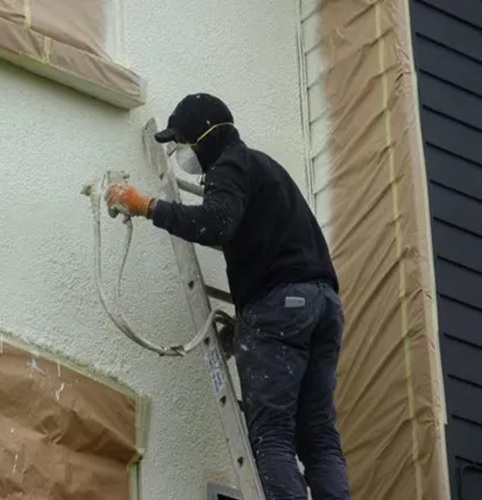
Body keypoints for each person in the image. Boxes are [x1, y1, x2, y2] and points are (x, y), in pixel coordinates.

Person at [105, 93, 350, 500]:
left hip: (281, 306)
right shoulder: (264, 168)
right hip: (324, 307)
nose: (180, 154)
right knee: (318, 437)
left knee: (271, 434)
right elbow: (240, 231)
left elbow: (216, 223)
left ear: (206, 136)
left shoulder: (228, 165)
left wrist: (145, 205)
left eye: (182, 142)